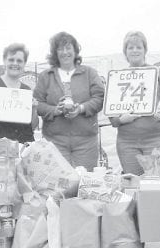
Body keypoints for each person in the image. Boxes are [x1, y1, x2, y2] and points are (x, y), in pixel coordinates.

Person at [110, 31, 160, 175]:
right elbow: (112, 114)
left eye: (138, 47)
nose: (135, 50)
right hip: (127, 143)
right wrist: (120, 119)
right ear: (125, 52)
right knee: (134, 185)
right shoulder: (117, 77)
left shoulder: (159, 74)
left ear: (145, 50)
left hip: (157, 139)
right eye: (130, 47)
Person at [33, 32, 104, 171]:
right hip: (55, 142)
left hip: (86, 142)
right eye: (60, 49)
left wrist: (81, 108)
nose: (65, 52)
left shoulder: (90, 73)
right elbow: (38, 104)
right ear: (55, 53)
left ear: (75, 50)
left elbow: (100, 98)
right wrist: (55, 110)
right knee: (58, 186)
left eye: (68, 48)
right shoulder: (45, 77)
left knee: (85, 183)